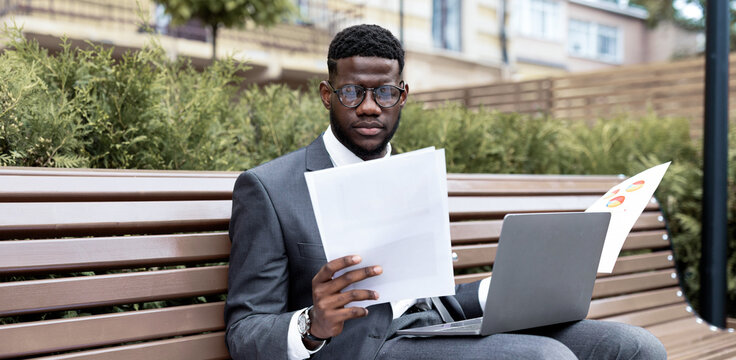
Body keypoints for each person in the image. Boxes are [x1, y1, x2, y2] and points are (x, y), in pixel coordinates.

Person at [225, 24, 667, 360]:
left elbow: (430, 297)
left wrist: (510, 289)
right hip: (364, 348)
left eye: (383, 92)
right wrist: (311, 324)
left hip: (436, 329)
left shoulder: (412, 173)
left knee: (632, 347)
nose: (369, 106)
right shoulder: (269, 188)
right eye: (351, 91)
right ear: (327, 94)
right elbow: (244, 329)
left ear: (402, 95)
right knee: (544, 358)